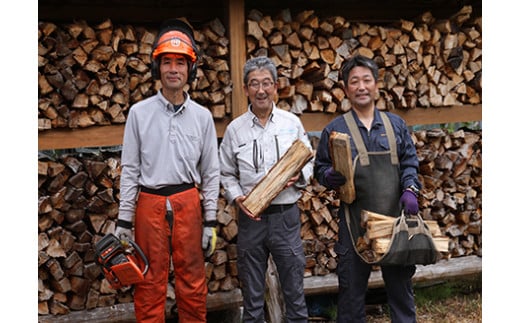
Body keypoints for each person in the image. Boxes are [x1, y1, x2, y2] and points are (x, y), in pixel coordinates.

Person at [114, 18, 220, 323]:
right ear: (157, 68)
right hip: (149, 204)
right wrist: (124, 220)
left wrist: (210, 221)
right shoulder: (139, 113)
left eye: (180, 63)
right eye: (167, 62)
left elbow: (211, 173)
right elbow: (131, 170)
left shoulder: (202, 117)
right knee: (147, 281)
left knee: (193, 282)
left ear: (190, 70)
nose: (174, 69)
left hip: (188, 201)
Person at [313, 54, 422, 322]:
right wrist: (329, 176)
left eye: (366, 80)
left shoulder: (395, 125)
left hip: (394, 222)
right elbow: (319, 170)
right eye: (354, 82)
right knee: (350, 297)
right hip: (353, 224)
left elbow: (410, 163)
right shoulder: (334, 129)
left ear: (376, 85)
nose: (361, 87)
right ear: (346, 89)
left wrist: (410, 189)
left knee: (401, 292)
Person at [219, 56, 312, 322]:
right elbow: (225, 171)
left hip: (286, 217)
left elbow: (308, 161)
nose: (261, 90)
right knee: (252, 297)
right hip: (251, 220)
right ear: (246, 89)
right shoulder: (235, 130)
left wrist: (299, 174)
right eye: (254, 84)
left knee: (294, 290)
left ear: (276, 87)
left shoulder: (290, 123)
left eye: (266, 83)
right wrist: (237, 196)